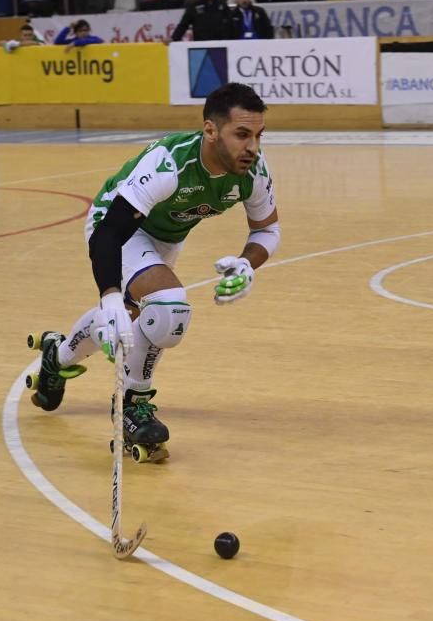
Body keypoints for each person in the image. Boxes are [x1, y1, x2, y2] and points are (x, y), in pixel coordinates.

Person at [27, 83, 280, 462]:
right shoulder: (169, 163)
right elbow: (111, 233)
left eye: (259, 135)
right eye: (242, 134)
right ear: (210, 130)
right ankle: (134, 405)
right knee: (168, 308)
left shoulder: (253, 171)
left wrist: (247, 263)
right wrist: (109, 295)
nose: (253, 147)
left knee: (131, 317)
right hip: (116, 227)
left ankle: (57, 357)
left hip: (164, 238)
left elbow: (267, 228)